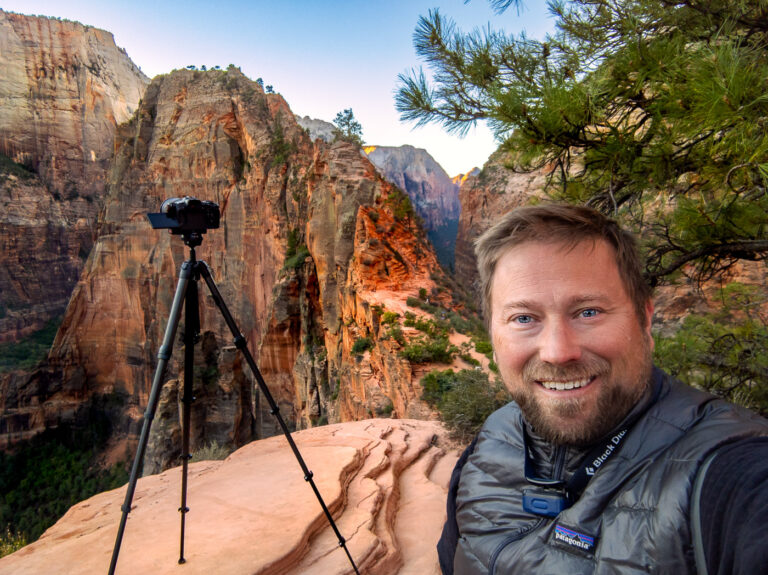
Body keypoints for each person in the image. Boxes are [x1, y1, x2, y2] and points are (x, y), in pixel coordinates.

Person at [437, 204, 768, 574]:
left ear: (644, 318)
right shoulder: (489, 443)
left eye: (588, 312)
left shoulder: (730, 472)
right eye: (524, 318)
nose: (558, 352)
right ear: (493, 336)